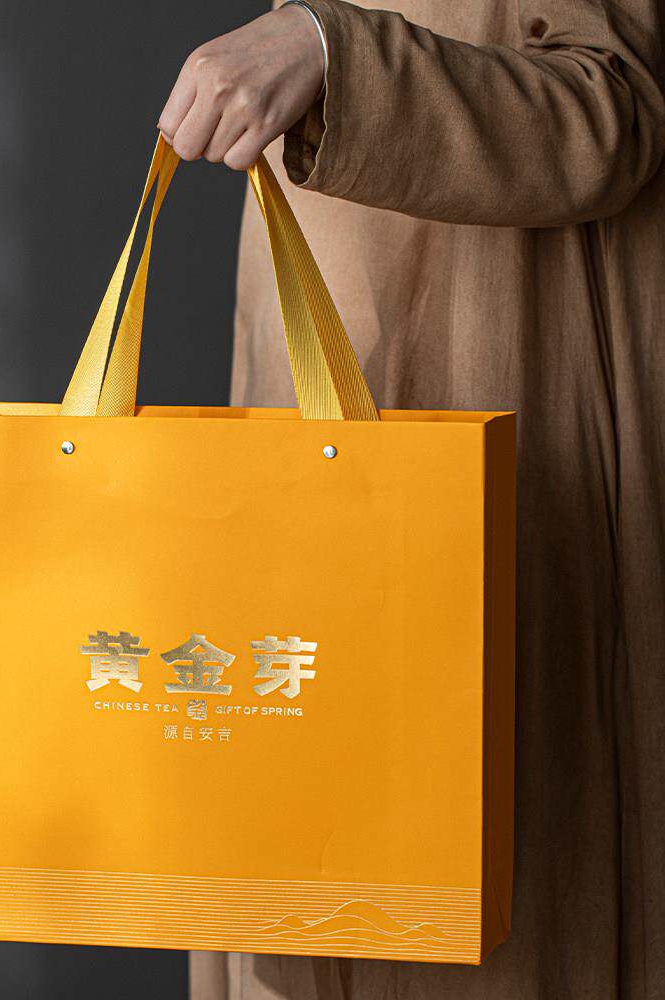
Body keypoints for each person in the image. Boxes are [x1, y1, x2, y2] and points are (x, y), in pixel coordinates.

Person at [158, 2, 665, 999]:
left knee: (477, 886)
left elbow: (613, 110)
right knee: (295, 845)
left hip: (496, 398)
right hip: (311, 400)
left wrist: (329, 55)